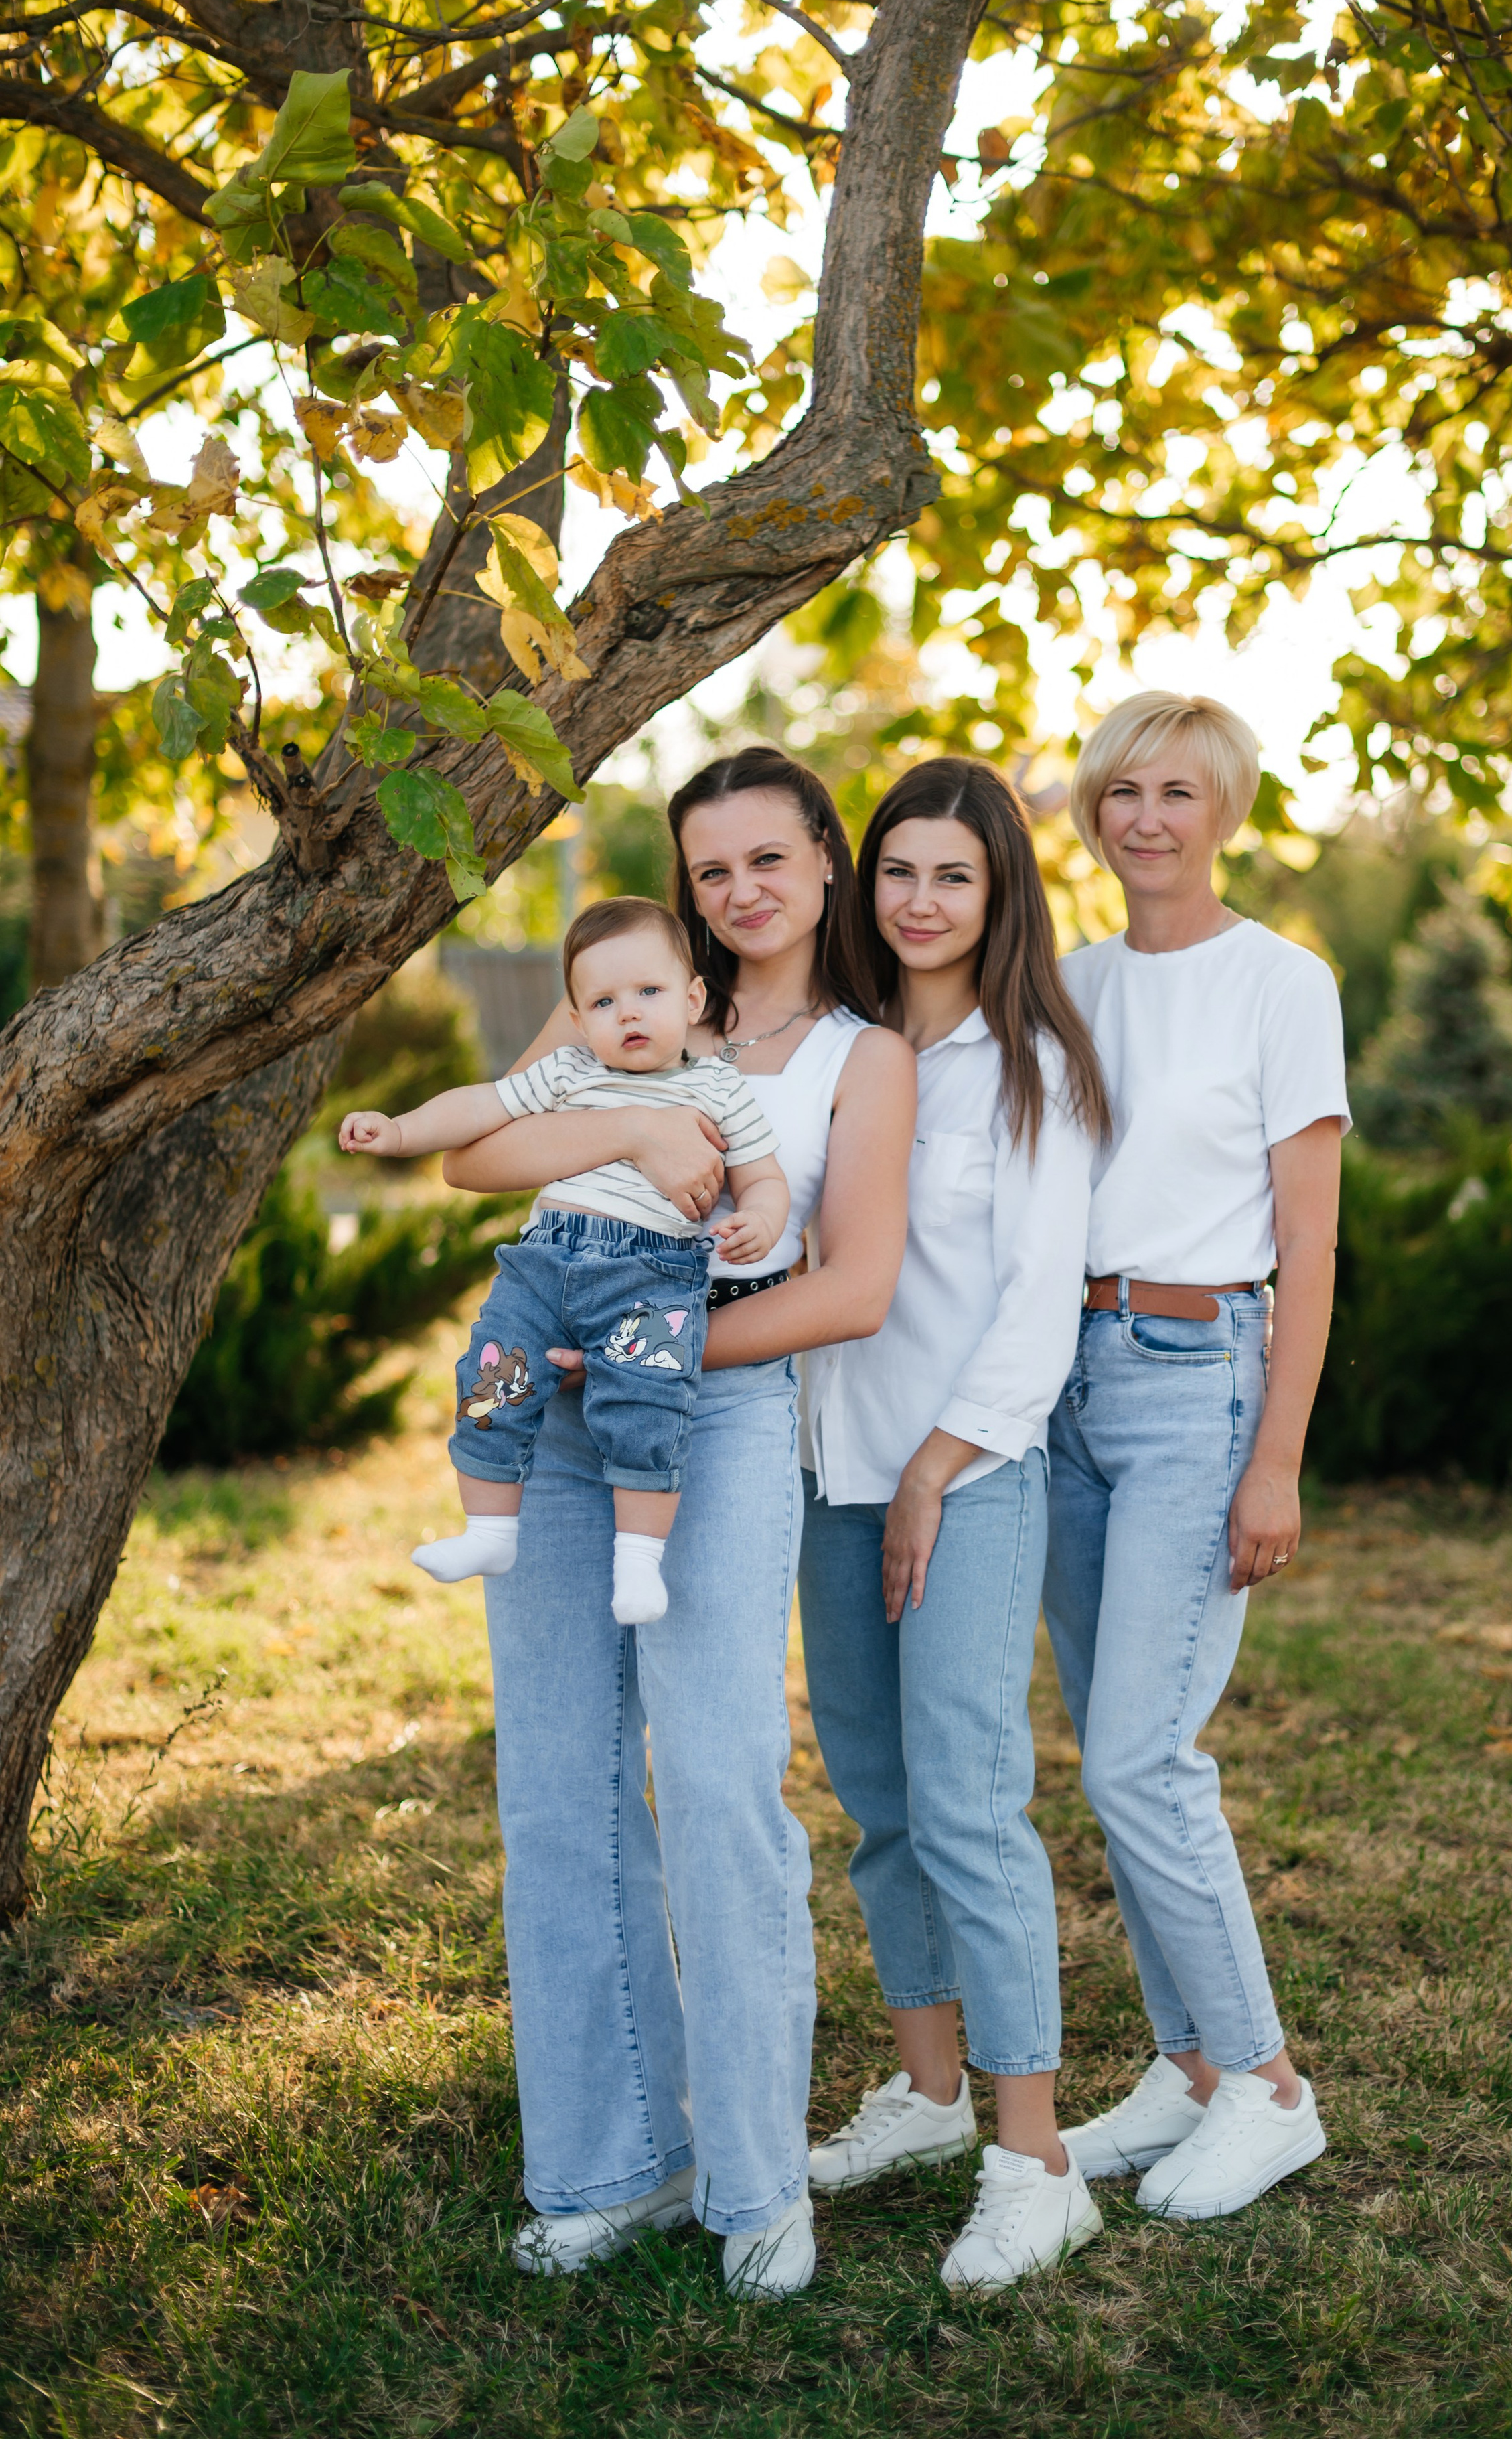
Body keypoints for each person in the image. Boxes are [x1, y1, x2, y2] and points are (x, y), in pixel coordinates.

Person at [441, 747, 915, 2299]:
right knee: (557, 1791)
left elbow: (851, 1284)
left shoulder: (863, 1051)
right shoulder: (622, 990)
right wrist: (633, 1136)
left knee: (717, 1785)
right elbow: (479, 1148)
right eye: (712, 866)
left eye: (766, 859)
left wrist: (645, 1345)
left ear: (826, 863)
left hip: (706, 1409)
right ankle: (611, 2159)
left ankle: (758, 2177)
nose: (738, 891)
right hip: (554, 1429)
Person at [795, 757, 1111, 2290]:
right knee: (879, 1800)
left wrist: (930, 1468)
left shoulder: (1033, 1065)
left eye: (951, 876)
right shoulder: (838, 1054)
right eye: (896, 870)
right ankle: (926, 2094)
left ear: (998, 898)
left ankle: (1031, 2156)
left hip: (966, 1475)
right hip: (822, 1467)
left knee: (972, 1800)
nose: (917, 900)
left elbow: (1033, 1313)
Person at [1046, 690, 1348, 2223]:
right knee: (1115, 1759)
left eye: (1175, 790)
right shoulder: (1064, 980)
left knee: (1138, 1753)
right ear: (1090, 812)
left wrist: (1273, 1457)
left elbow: (1307, 1237)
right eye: (1120, 790)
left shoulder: (1278, 981)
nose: (1144, 816)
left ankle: (1267, 2082)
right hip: (1060, 1392)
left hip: (1194, 1377)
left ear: (1221, 809)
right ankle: (1182, 2067)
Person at [340, 897, 787, 1623]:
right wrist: (399, 1130)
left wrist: (762, 1219)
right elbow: (482, 1106)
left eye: (649, 992)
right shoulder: (569, 1073)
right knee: (493, 1374)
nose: (629, 1013)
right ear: (578, 1020)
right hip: (546, 1264)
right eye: (604, 1001)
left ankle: (638, 1563)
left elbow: (761, 1177)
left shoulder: (718, 1086)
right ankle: (488, 1532)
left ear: (693, 997)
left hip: (653, 1276)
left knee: (649, 1402)